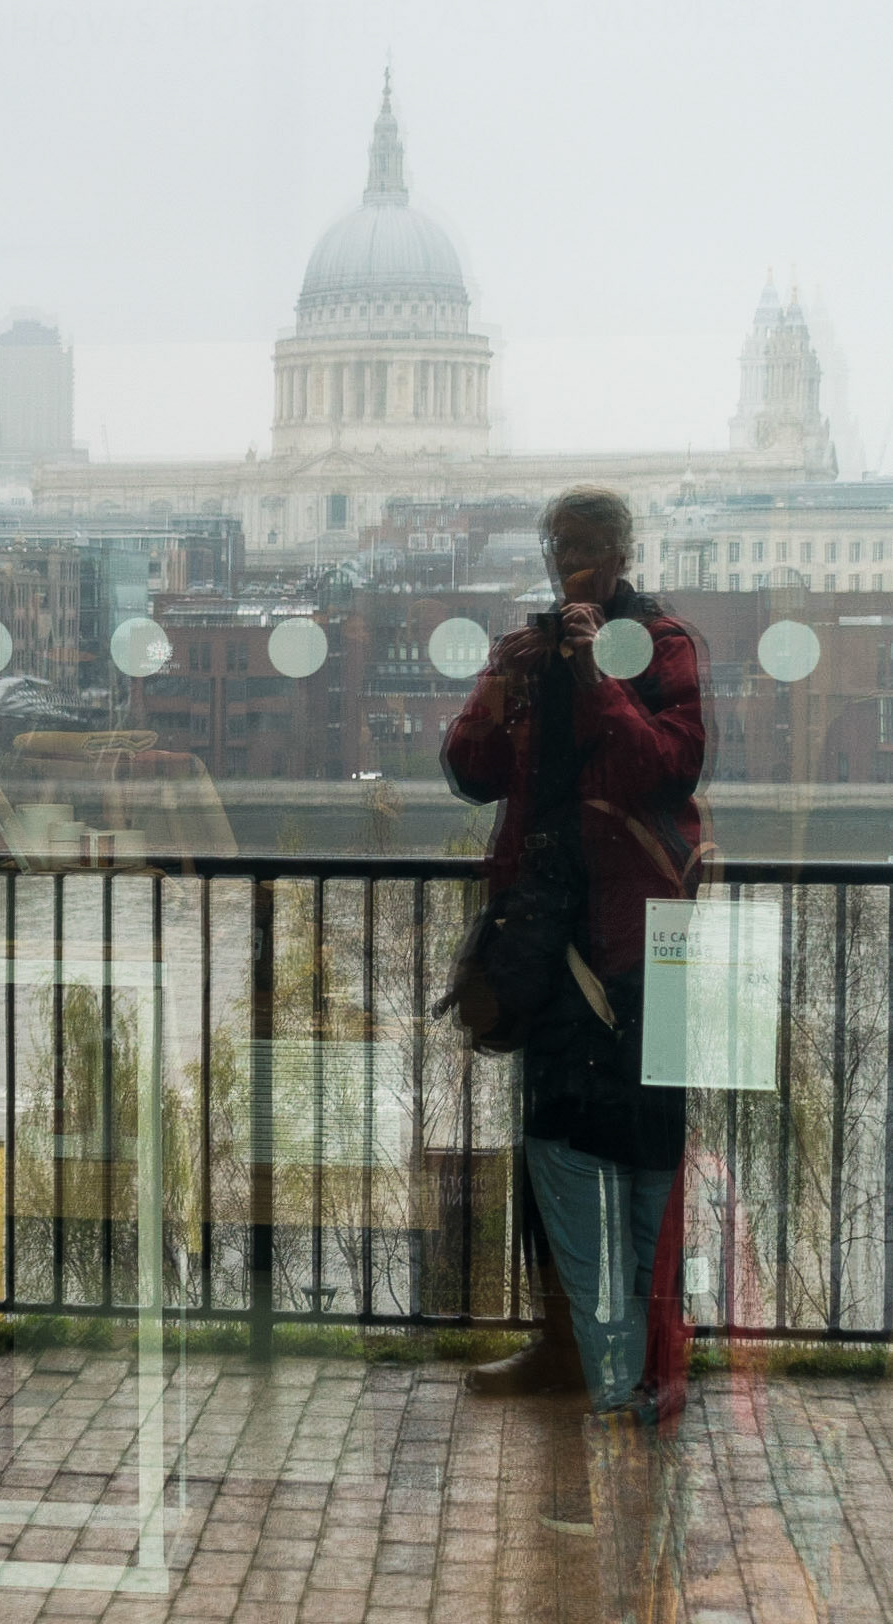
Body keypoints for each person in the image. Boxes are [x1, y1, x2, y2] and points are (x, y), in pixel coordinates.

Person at [442, 486, 708, 1531]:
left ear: (625, 550)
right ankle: (562, 1346)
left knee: (650, 1147)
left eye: (591, 546)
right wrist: (498, 693)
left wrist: (599, 671)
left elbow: (667, 763)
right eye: (561, 546)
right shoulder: (533, 652)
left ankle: (651, 1363)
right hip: (552, 934)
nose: (573, 563)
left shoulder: (661, 642)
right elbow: (468, 773)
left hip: (649, 935)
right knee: (548, 1134)